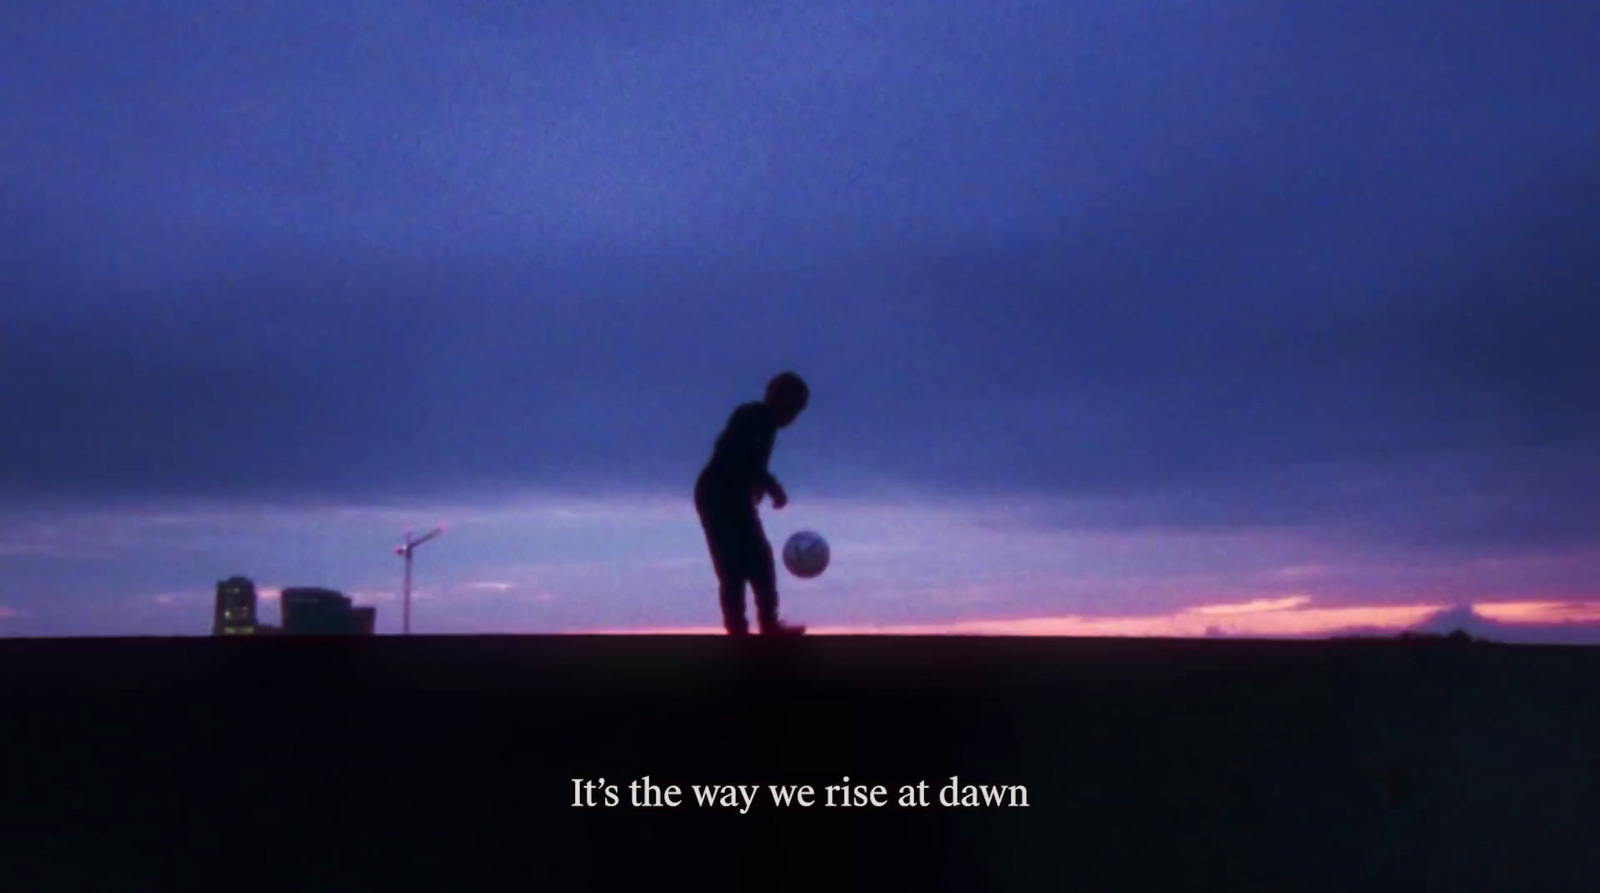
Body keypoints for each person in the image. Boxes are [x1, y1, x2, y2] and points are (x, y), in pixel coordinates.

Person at [694, 372, 809, 637]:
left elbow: (749, 461)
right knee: (739, 564)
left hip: (729, 497)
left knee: (752, 561)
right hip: (719, 496)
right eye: (794, 409)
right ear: (780, 401)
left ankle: (756, 625)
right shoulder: (753, 418)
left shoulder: (762, 423)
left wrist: (761, 486)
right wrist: (770, 487)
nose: (793, 418)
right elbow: (740, 456)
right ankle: (743, 629)